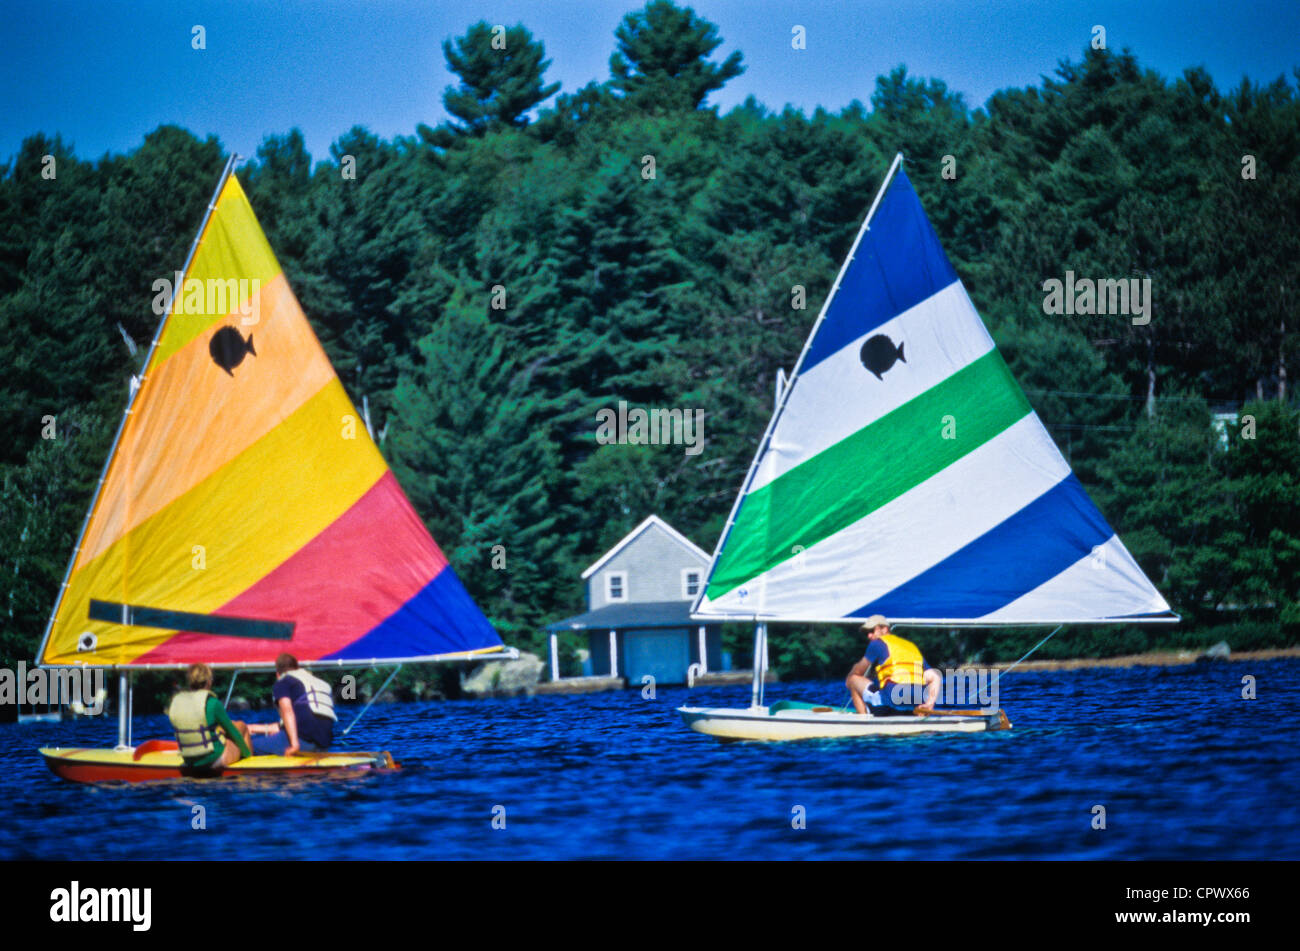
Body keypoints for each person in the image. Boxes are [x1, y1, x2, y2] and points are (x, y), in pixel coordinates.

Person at [845, 615, 942, 714]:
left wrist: (849, 678)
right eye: (867, 633)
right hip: (916, 702)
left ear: (885, 629)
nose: (869, 636)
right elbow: (936, 677)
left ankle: (862, 721)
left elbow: (858, 671)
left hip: (892, 701)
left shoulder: (876, 643)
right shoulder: (911, 646)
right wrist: (930, 703)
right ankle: (910, 712)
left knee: (853, 679)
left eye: (872, 631)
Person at [167, 662, 254, 770]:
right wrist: (245, 754)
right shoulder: (212, 703)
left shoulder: (179, 703)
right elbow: (233, 733)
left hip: (188, 759)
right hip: (213, 760)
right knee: (242, 726)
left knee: (230, 727)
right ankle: (251, 766)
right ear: (208, 682)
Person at [247, 653, 337, 756]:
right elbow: (304, 720)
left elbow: (287, 711)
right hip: (324, 745)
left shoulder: (283, 682)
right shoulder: (321, 683)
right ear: (297, 668)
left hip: (301, 741)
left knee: (248, 746)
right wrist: (251, 728)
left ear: (278, 674)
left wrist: (294, 745)